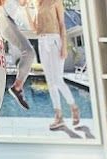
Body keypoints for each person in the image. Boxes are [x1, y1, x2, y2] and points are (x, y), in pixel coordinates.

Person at [28, 0, 80, 130]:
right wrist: (26, 10)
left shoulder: (56, 2)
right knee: (50, 82)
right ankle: (59, 116)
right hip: (41, 42)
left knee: (57, 79)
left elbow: (62, 25)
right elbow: (34, 29)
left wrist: (64, 47)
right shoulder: (37, 4)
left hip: (54, 41)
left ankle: (73, 107)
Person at [0, 0, 36, 109]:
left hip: (9, 20)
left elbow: (22, 3)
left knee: (29, 52)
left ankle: (17, 87)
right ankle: (17, 87)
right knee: (29, 52)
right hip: (3, 18)